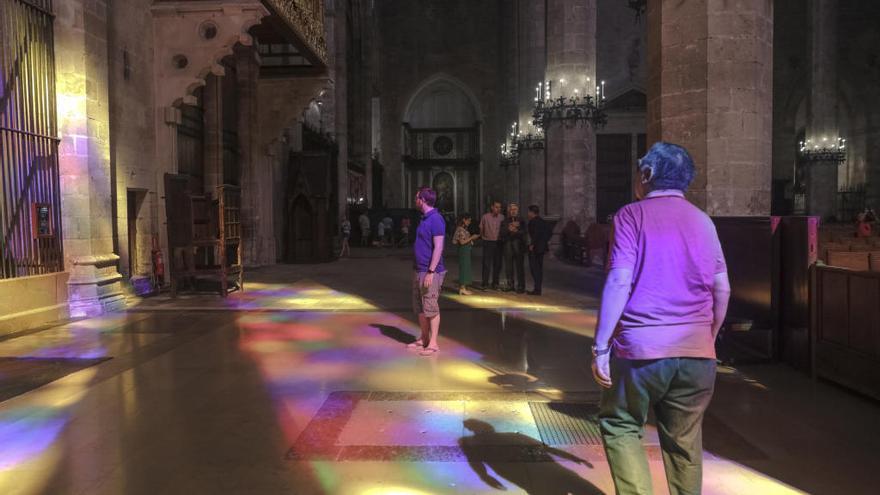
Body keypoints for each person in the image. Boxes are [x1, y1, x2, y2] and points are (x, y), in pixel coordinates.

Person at [592, 142, 731, 495]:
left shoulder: (631, 215)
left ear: (648, 174)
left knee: (621, 424)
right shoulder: (704, 221)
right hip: (698, 352)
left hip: (643, 350)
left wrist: (600, 346)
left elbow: (620, 280)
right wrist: (708, 335)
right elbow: (722, 289)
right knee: (684, 441)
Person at [407, 186, 447, 356]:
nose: (415, 200)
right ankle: (424, 338)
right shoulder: (423, 218)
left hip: (430, 271)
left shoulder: (436, 219)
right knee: (421, 308)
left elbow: (438, 247)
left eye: (416, 197)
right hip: (418, 269)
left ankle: (433, 343)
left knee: (431, 307)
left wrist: (431, 272)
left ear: (422, 200)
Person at [500, 203, 526, 293]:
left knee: (519, 267)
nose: (513, 211)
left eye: (515, 209)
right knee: (508, 267)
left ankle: (521, 286)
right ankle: (510, 285)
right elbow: (502, 233)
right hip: (508, 246)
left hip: (518, 246)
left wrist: (516, 231)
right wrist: (508, 229)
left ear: (517, 210)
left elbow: (525, 232)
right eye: (511, 209)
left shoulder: (522, 221)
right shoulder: (504, 221)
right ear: (508, 211)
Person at [479, 201, 504, 290]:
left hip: (498, 243)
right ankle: (485, 283)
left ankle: (495, 283)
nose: (498, 209)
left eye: (499, 207)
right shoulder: (485, 217)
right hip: (488, 242)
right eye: (496, 207)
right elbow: (481, 228)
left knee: (497, 264)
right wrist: (483, 237)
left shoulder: (502, 217)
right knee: (486, 263)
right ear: (492, 207)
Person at [526, 205, 551, 295]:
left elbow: (535, 234)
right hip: (541, 248)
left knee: (534, 269)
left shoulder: (532, 222)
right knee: (539, 269)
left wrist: (532, 244)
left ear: (532, 212)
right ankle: (538, 288)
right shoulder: (543, 221)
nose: (528, 214)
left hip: (535, 249)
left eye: (529, 212)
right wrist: (544, 242)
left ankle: (537, 289)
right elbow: (549, 232)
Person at [453, 213, 480, 295]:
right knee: (464, 268)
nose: (469, 222)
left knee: (466, 268)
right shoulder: (460, 229)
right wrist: (472, 237)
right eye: (468, 220)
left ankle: (463, 287)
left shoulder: (463, 229)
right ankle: (462, 288)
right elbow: (462, 242)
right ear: (464, 220)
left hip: (466, 251)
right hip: (463, 251)